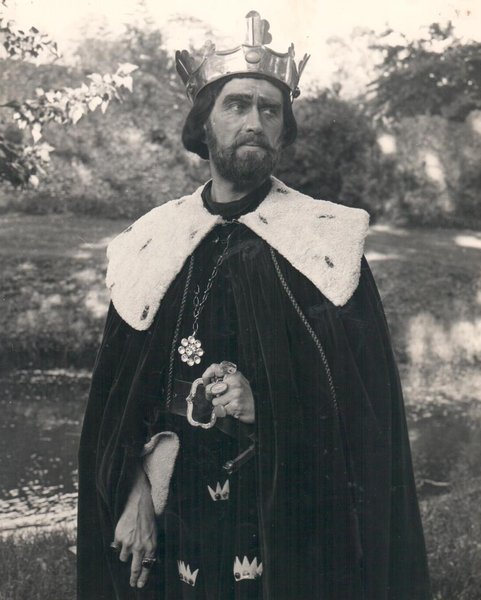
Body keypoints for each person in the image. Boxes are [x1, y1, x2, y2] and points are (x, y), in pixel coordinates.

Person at [77, 10, 431, 600]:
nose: (254, 122)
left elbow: (366, 421)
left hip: (291, 521)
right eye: (236, 105)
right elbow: (120, 406)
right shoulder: (154, 240)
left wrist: (263, 404)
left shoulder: (324, 244)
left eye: (270, 110)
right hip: (175, 510)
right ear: (204, 125)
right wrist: (135, 490)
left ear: (284, 130)